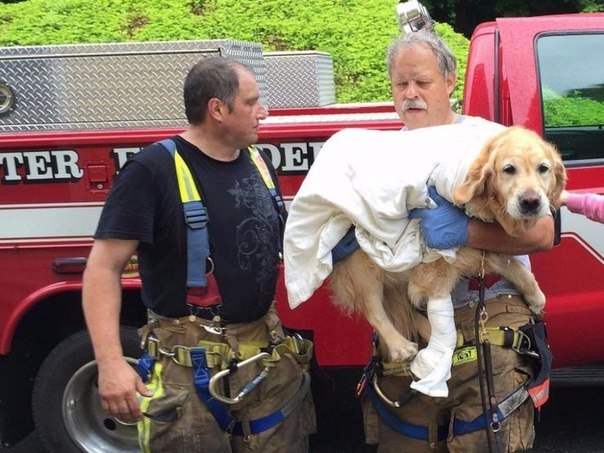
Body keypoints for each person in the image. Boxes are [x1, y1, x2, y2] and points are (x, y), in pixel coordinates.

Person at [82, 57, 315, 452]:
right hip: (186, 371)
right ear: (218, 110)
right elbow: (103, 268)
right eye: (252, 103)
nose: (264, 112)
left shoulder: (258, 162)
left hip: (266, 359)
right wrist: (110, 365)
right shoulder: (152, 170)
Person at [350, 29, 554, 452]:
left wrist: (463, 231)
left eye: (422, 82)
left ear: (450, 81)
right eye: (400, 84)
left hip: (489, 317)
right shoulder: (375, 155)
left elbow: (542, 233)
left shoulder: (495, 143)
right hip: (412, 321)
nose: (410, 94)